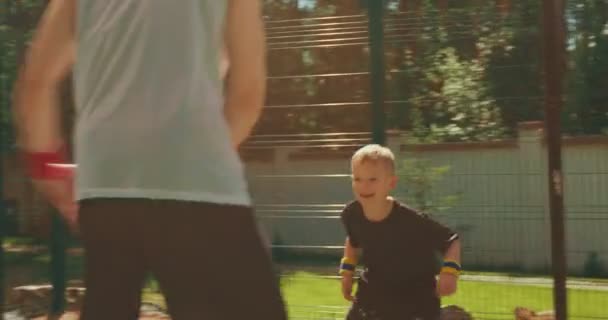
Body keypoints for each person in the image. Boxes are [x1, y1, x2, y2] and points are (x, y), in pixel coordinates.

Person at [13, 1, 287, 319]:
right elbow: (247, 96)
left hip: (104, 188)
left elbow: (35, 85)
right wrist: (196, 157)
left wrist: (49, 171)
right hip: (199, 190)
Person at [339, 144, 462, 320]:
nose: (363, 186)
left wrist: (449, 273)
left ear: (391, 183)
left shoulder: (412, 221)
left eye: (372, 180)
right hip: (372, 296)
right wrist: (347, 273)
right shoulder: (352, 214)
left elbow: (452, 240)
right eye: (357, 179)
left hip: (416, 302)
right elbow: (353, 240)